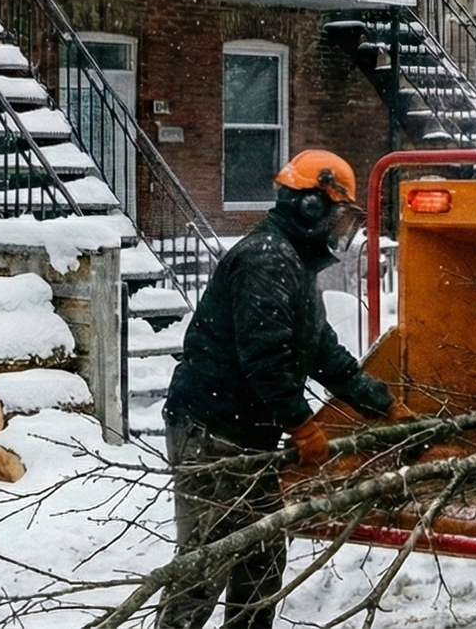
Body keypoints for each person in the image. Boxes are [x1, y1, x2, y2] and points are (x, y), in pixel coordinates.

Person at [161, 149, 396, 629]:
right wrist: (302, 425)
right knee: (205, 564)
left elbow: (321, 350)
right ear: (310, 207)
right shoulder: (266, 260)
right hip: (211, 431)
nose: (339, 229)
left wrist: (377, 401)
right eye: (337, 215)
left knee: (261, 561)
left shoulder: (294, 265)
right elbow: (263, 358)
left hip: (248, 436)